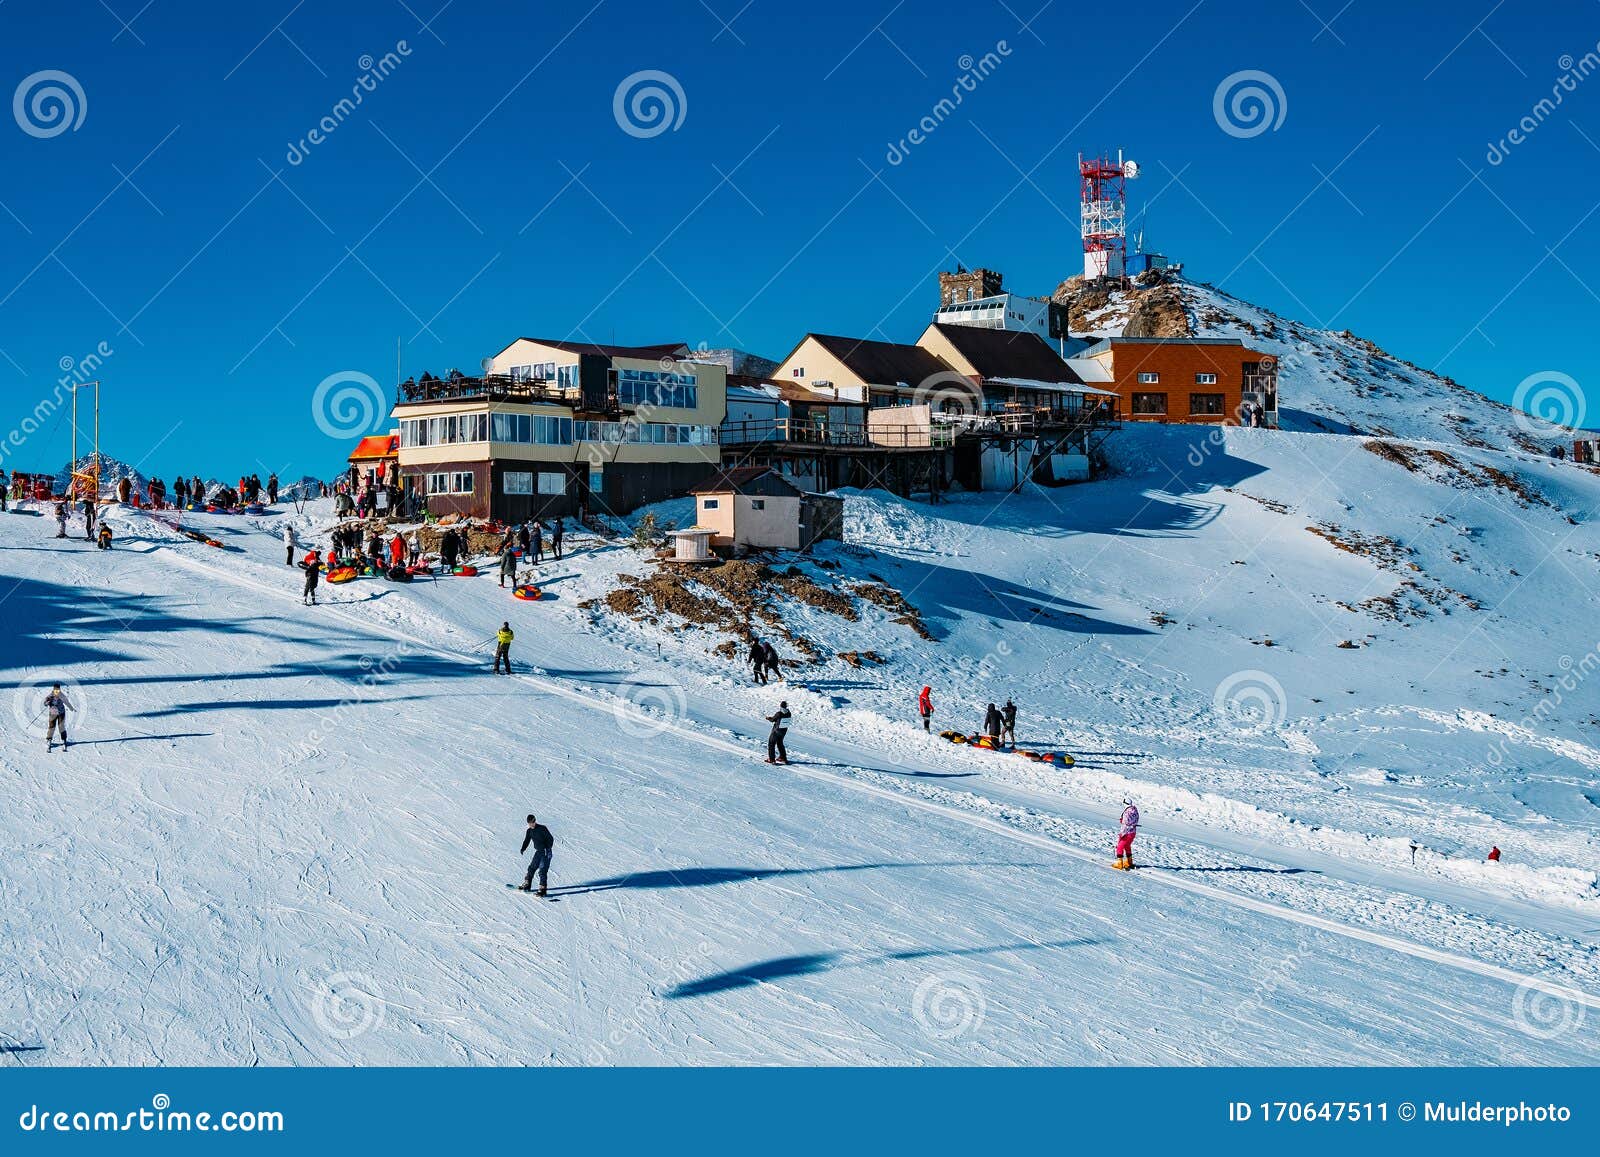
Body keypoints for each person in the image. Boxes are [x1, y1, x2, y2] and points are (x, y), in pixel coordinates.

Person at [517, 814, 555, 896]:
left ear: (535, 821)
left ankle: (542, 889)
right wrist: (523, 848)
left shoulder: (542, 828)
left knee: (542, 870)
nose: (532, 824)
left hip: (545, 852)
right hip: (538, 852)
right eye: (530, 823)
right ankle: (527, 884)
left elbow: (550, 839)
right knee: (531, 868)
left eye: (533, 822)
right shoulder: (529, 831)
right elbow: (527, 840)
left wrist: (547, 848)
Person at [43, 683, 72, 752]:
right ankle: (49, 739)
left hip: (61, 713)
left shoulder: (62, 695)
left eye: (58, 690)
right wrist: (48, 702)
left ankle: (63, 739)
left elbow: (66, 702)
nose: (57, 691)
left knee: (61, 726)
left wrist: (71, 708)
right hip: (53, 714)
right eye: (55, 689)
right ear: (53, 689)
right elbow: (45, 703)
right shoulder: (50, 696)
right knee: (52, 727)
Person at [1114, 798, 1140, 870]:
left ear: (1125, 803)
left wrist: (1122, 834)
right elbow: (1134, 821)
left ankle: (1119, 864)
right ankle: (1129, 862)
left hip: (1126, 833)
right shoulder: (1134, 810)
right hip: (1133, 832)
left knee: (1119, 847)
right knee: (1127, 846)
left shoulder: (1126, 813)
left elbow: (1125, 824)